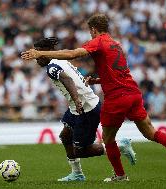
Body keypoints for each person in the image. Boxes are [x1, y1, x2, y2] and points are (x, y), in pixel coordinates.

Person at [21, 14, 166, 182]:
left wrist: (40, 53)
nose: (90, 34)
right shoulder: (115, 44)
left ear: (93, 29)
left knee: (108, 140)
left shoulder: (98, 42)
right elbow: (120, 73)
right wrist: (98, 80)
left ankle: (120, 175)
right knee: (151, 132)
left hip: (117, 98)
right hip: (133, 93)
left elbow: (72, 54)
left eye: (90, 31)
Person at [32, 37, 136, 182]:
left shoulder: (52, 67)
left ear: (45, 52)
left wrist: (76, 100)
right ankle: (77, 174)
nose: (36, 59)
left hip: (85, 109)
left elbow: (67, 80)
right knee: (65, 136)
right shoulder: (59, 60)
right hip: (79, 106)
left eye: (37, 54)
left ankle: (119, 146)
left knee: (81, 150)